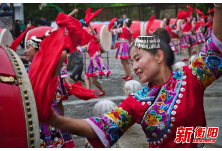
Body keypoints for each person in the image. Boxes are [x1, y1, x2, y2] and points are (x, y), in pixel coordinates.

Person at [45, 3, 222, 148]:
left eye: (138, 59)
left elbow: (217, 43)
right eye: (132, 62)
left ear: (159, 56)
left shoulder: (190, 77)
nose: (135, 67)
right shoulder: (136, 100)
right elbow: (102, 126)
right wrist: (57, 120)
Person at [24, 36, 75, 148]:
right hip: (33, 115)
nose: (25, 50)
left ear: (38, 49)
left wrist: (46, 48)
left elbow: (62, 54)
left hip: (48, 115)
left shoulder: (46, 68)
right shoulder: (26, 70)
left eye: (28, 47)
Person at [77, 23, 111, 96]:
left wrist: (89, 24)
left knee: (90, 79)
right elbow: (79, 49)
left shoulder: (96, 40)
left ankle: (92, 91)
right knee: (91, 79)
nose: (89, 34)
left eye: (90, 33)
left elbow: (93, 32)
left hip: (96, 61)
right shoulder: (89, 44)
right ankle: (94, 91)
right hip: (93, 62)